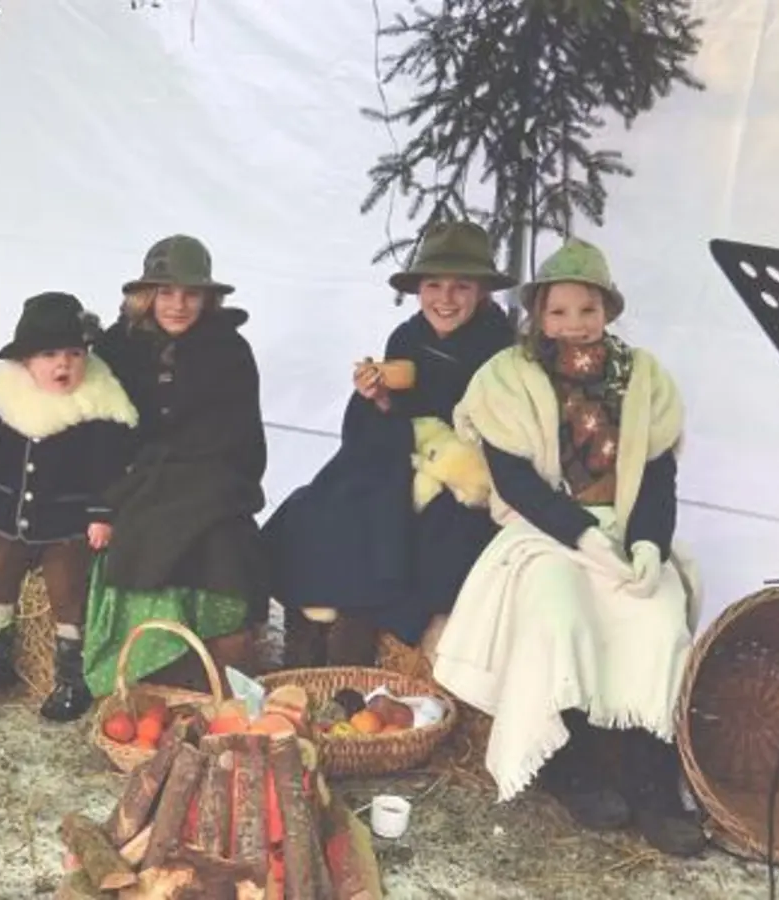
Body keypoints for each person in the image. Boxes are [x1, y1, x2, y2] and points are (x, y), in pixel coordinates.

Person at [427, 237, 707, 857]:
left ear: (607, 309)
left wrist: (647, 546)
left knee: (659, 618)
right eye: (558, 312)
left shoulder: (645, 378)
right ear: (538, 315)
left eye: (588, 310)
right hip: (543, 526)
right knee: (560, 612)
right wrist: (580, 537)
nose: (574, 325)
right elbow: (516, 481)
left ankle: (652, 781)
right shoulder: (506, 377)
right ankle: (570, 763)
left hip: (623, 527)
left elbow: (658, 475)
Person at [264, 222, 514, 666]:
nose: (445, 298)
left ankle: (355, 641)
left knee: (412, 537)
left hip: (464, 481)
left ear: (483, 292)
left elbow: (504, 435)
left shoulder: (502, 351)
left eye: (461, 286)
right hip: (399, 458)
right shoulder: (407, 338)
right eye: (434, 284)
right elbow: (389, 420)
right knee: (311, 510)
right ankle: (302, 658)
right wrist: (377, 399)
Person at [81, 235, 269, 696]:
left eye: (191, 293)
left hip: (212, 477)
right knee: (146, 530)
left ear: (208, 298)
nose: (178, 304)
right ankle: (152, 677)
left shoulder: (229, 351)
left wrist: (210, 477)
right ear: (147, 296)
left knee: (224, 541)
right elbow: (100, 426)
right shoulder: (117, 347)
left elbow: (242, 437)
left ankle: (223, 669)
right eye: (166, 292)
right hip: (138, 481)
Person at [0, 292, 139, 722]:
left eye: (75, 354)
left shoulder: (95, 410)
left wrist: (100, 514)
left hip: (66, 524)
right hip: (11, 518)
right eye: (50, 354)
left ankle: (72, 681)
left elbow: (107, 471)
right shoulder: (14, 403)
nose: (64, 365)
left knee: (67, 592)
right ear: (26, 362)